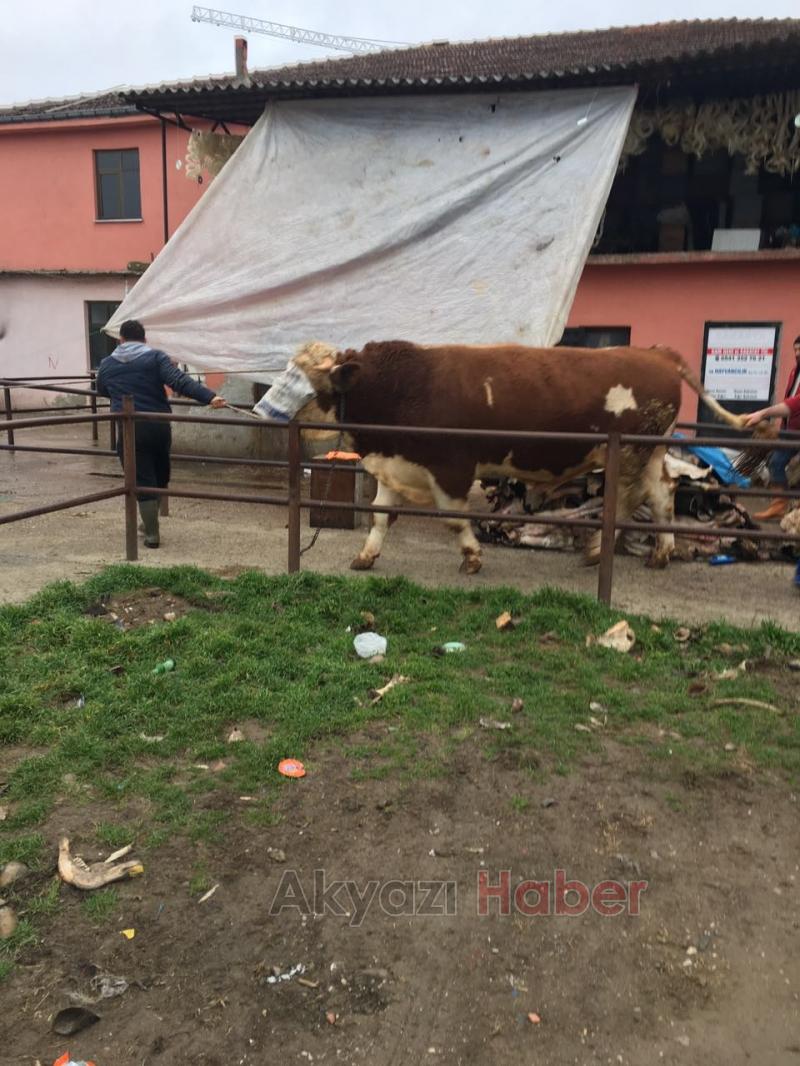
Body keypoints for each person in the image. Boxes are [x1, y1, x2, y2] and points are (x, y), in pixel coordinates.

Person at [96, 320, 226, 547]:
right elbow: (179, 381)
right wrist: (209, 396)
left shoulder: (107, 364)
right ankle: (149, 523)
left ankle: (151, 534)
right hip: (159, 425)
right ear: (145, 340)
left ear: (121, 340)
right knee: (160, 473)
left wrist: (121, 392)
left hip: (130, 429)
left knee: (141, 477)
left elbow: (102, 389)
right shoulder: (156, 358)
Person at [747, 335, 800, 520]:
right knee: (776, 461)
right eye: (795, 350)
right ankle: (779, 505)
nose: (798, 354)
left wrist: (763, 413)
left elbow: (795, 404)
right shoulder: (795, 372)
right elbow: (789, 401)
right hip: (790, 430)